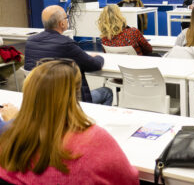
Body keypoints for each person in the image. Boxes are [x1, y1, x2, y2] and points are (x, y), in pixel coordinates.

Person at [0, 60, 139, 184]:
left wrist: (13, 121)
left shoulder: (9, 139)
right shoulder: (94, 139)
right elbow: (130, 180)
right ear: (74, 95)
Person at [24, 5, 113, 106]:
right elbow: (94, 65)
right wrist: (98, 57)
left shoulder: (30, 41)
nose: (67, 20)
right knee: (107, 92)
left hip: (40, 100)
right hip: (67, 101)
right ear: (62, 23)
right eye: (67, 18)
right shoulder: (66, 44)